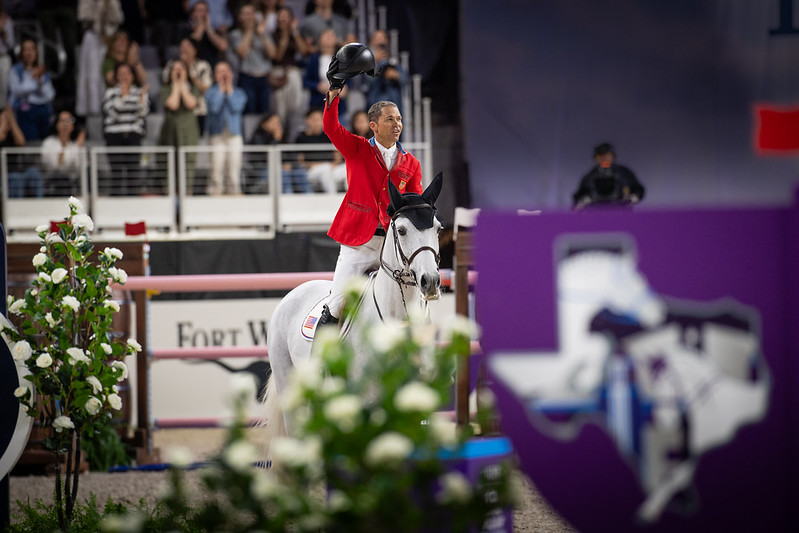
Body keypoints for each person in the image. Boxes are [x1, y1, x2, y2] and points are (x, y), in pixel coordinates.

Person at [317, 54, 423, 328]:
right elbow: (330, 128)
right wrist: (334, 92)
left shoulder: (411, 163)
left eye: (399, 119)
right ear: (373, 126)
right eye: (390, 120)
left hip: (394, 247)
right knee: (336, 306)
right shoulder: (357, 148)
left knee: (416, 308)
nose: (397, 124)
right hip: (359, 244)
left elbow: (413, 205)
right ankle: (321, 364)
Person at [102, 62, 150, 195]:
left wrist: (141, 101)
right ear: (116, 77)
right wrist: (123, 98)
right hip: (114, 136)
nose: (124, 76)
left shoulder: (139, 92)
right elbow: (112, 114)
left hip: (133, 136)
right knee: (116, 173)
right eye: (121, 74)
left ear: (132, 76)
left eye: (127, 73)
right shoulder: (110, 93)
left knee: (133, 173)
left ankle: (132, 205)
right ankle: (115, 206)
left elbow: (142, 114)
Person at [205, 60, 247, 195]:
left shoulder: (239, 92)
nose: (223, 74)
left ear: (231, 73)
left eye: (226, 71)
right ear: (215, 75)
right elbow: (214, 107)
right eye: (219, 71)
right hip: (217, 134)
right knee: (217, 166)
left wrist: (229, 90)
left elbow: (237, 107)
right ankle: (216, 191)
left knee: (234, 165)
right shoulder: (211, 92)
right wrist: (221, 90)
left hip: (234, 134)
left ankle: (234, 190)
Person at [77, 0, 125, 117]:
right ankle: (93, 108)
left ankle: (108, 106)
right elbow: (83, 16)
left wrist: (109, 4)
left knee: (105, 73)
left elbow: (118, 18)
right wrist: (101, 6)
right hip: (92, 38)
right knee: (92, 75)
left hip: (108, 39)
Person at [159, 60, 201, 195]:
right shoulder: (166, 89)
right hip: (170, 131)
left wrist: (182, 85)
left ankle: (187, 191)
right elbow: (173, 104)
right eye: (175, 69)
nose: (178, 71)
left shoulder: (193, 88)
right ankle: (169, 193)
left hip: (189, 131)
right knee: (169, 161)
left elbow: (191, 103)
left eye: (181, 68)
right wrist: (176, 85)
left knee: (188, 159)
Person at [269, 5, 310, 141]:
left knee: (295, 110)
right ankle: (279, 139)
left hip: (293, 73)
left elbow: (304, 52)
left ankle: (291, 141)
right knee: (280, 111)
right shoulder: (273, 35)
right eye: (281, 16)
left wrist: (294, 32)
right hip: (279, 73)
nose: (283, 19)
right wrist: (284, 38)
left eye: (286, 16)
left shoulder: (295, 35)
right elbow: (278, 57)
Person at [229, 2, 275, 115]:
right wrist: (249, 31)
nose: (249, 17)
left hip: (264, 78)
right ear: (240, 17)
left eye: (251, 13)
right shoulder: (235, 34)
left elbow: (273, 54)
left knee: (265, 113)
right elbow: (242, 52)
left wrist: (263, 35)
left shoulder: (263, 32)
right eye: (246, 14)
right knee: (250, 112)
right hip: (247, 78)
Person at [249, 110, 311, 193]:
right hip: (264, 169)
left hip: (283, 168)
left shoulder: (284, 137)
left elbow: (291, 154)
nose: (277, 125)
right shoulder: (258, 138)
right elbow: (263, 157)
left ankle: (309, 195)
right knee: (283, 174)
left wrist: (290, 164)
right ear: (264, 124)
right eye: (274, 122)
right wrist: (275, 140)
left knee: (299, 172)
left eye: (278, 122)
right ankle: (288, 196)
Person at [8, 38, 56, 141]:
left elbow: (49, 95)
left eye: (32, 49)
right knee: (31, 142)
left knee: (45, 142)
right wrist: (32, 79)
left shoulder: (42, 71)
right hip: (25, 110)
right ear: (21, 53)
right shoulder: (15, 71)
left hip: (43, 110)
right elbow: (16, 91)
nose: (29, 53)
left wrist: (40, 83)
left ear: (36, 52)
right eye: (26, 49)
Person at [572, 142, 645, 209]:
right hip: (596, 211)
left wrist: (634, 196)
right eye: (601, 155)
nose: (604, 158)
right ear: (596, 158)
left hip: (621, 210)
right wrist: (584, 200)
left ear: (613, 156)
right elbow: (578, 196)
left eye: (607, 155)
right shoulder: (590, 176)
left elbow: (638, 189)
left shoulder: (624, 173)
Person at [161, 38, 213, 132]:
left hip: (197, 110)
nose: (184, 49)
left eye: (187, 46)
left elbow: (206, 88)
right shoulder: (171, 65)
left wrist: (188, 75)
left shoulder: (202, 66)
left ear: (195, 50)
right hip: (175, 111)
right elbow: (166, 84)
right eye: (182, 46)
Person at [294, 107, 343, 193]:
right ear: (307, 120)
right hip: (311, 172)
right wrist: (320, 165)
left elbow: (337, 158)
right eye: (314, 120)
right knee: (325, 169)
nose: (317, 123)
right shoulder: (301, 138)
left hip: (331, 168)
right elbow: (301, 162)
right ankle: (333, 198)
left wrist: (333, 165)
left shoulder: (329, 136)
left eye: (319, 120)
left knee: (350, 169)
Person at [0, 104, 44, 198]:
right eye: (5, 118)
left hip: (16, 170)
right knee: (16, 178)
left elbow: (21, 142)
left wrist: (12, 122)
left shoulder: (13, 134)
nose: (7, 120)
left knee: (34, 173)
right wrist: (3, 125)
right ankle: (14, 209)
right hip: (3, 174)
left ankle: (39, 204)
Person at [41, 110, 86, 196]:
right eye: (62, 121)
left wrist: (78, 148)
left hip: (71, 184)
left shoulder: (75, 145)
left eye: (69, 121)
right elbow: (53, 166)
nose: (65, 125)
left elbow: (78, 168)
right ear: (56, 124)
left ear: (73, 126)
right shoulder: (48, 143)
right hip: (52, 182)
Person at [362, 29, 407, 111]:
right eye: (376, 39)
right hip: (376, 105)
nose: (380, 42)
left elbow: (405, 79)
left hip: (394, 104)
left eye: (382, 38)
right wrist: (374, 62)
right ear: (371, 42)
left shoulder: (393, 61)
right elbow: (367, 82)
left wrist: (396, 75)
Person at [185, 0, 230, 67]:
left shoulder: (214, 31)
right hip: (192, 68)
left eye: (205, 11)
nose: (202, 14)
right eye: (199, 11)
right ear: (193, 14)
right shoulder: (186, 31)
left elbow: (223, 46)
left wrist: (208, 29)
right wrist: (200, 30)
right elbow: (188, 50)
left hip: (211, 68)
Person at [0, 2, 16, 109]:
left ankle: (5, 112)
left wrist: (2, 31)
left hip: (3, 57)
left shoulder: (7, 20)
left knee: (5, 88)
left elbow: (11, 44)